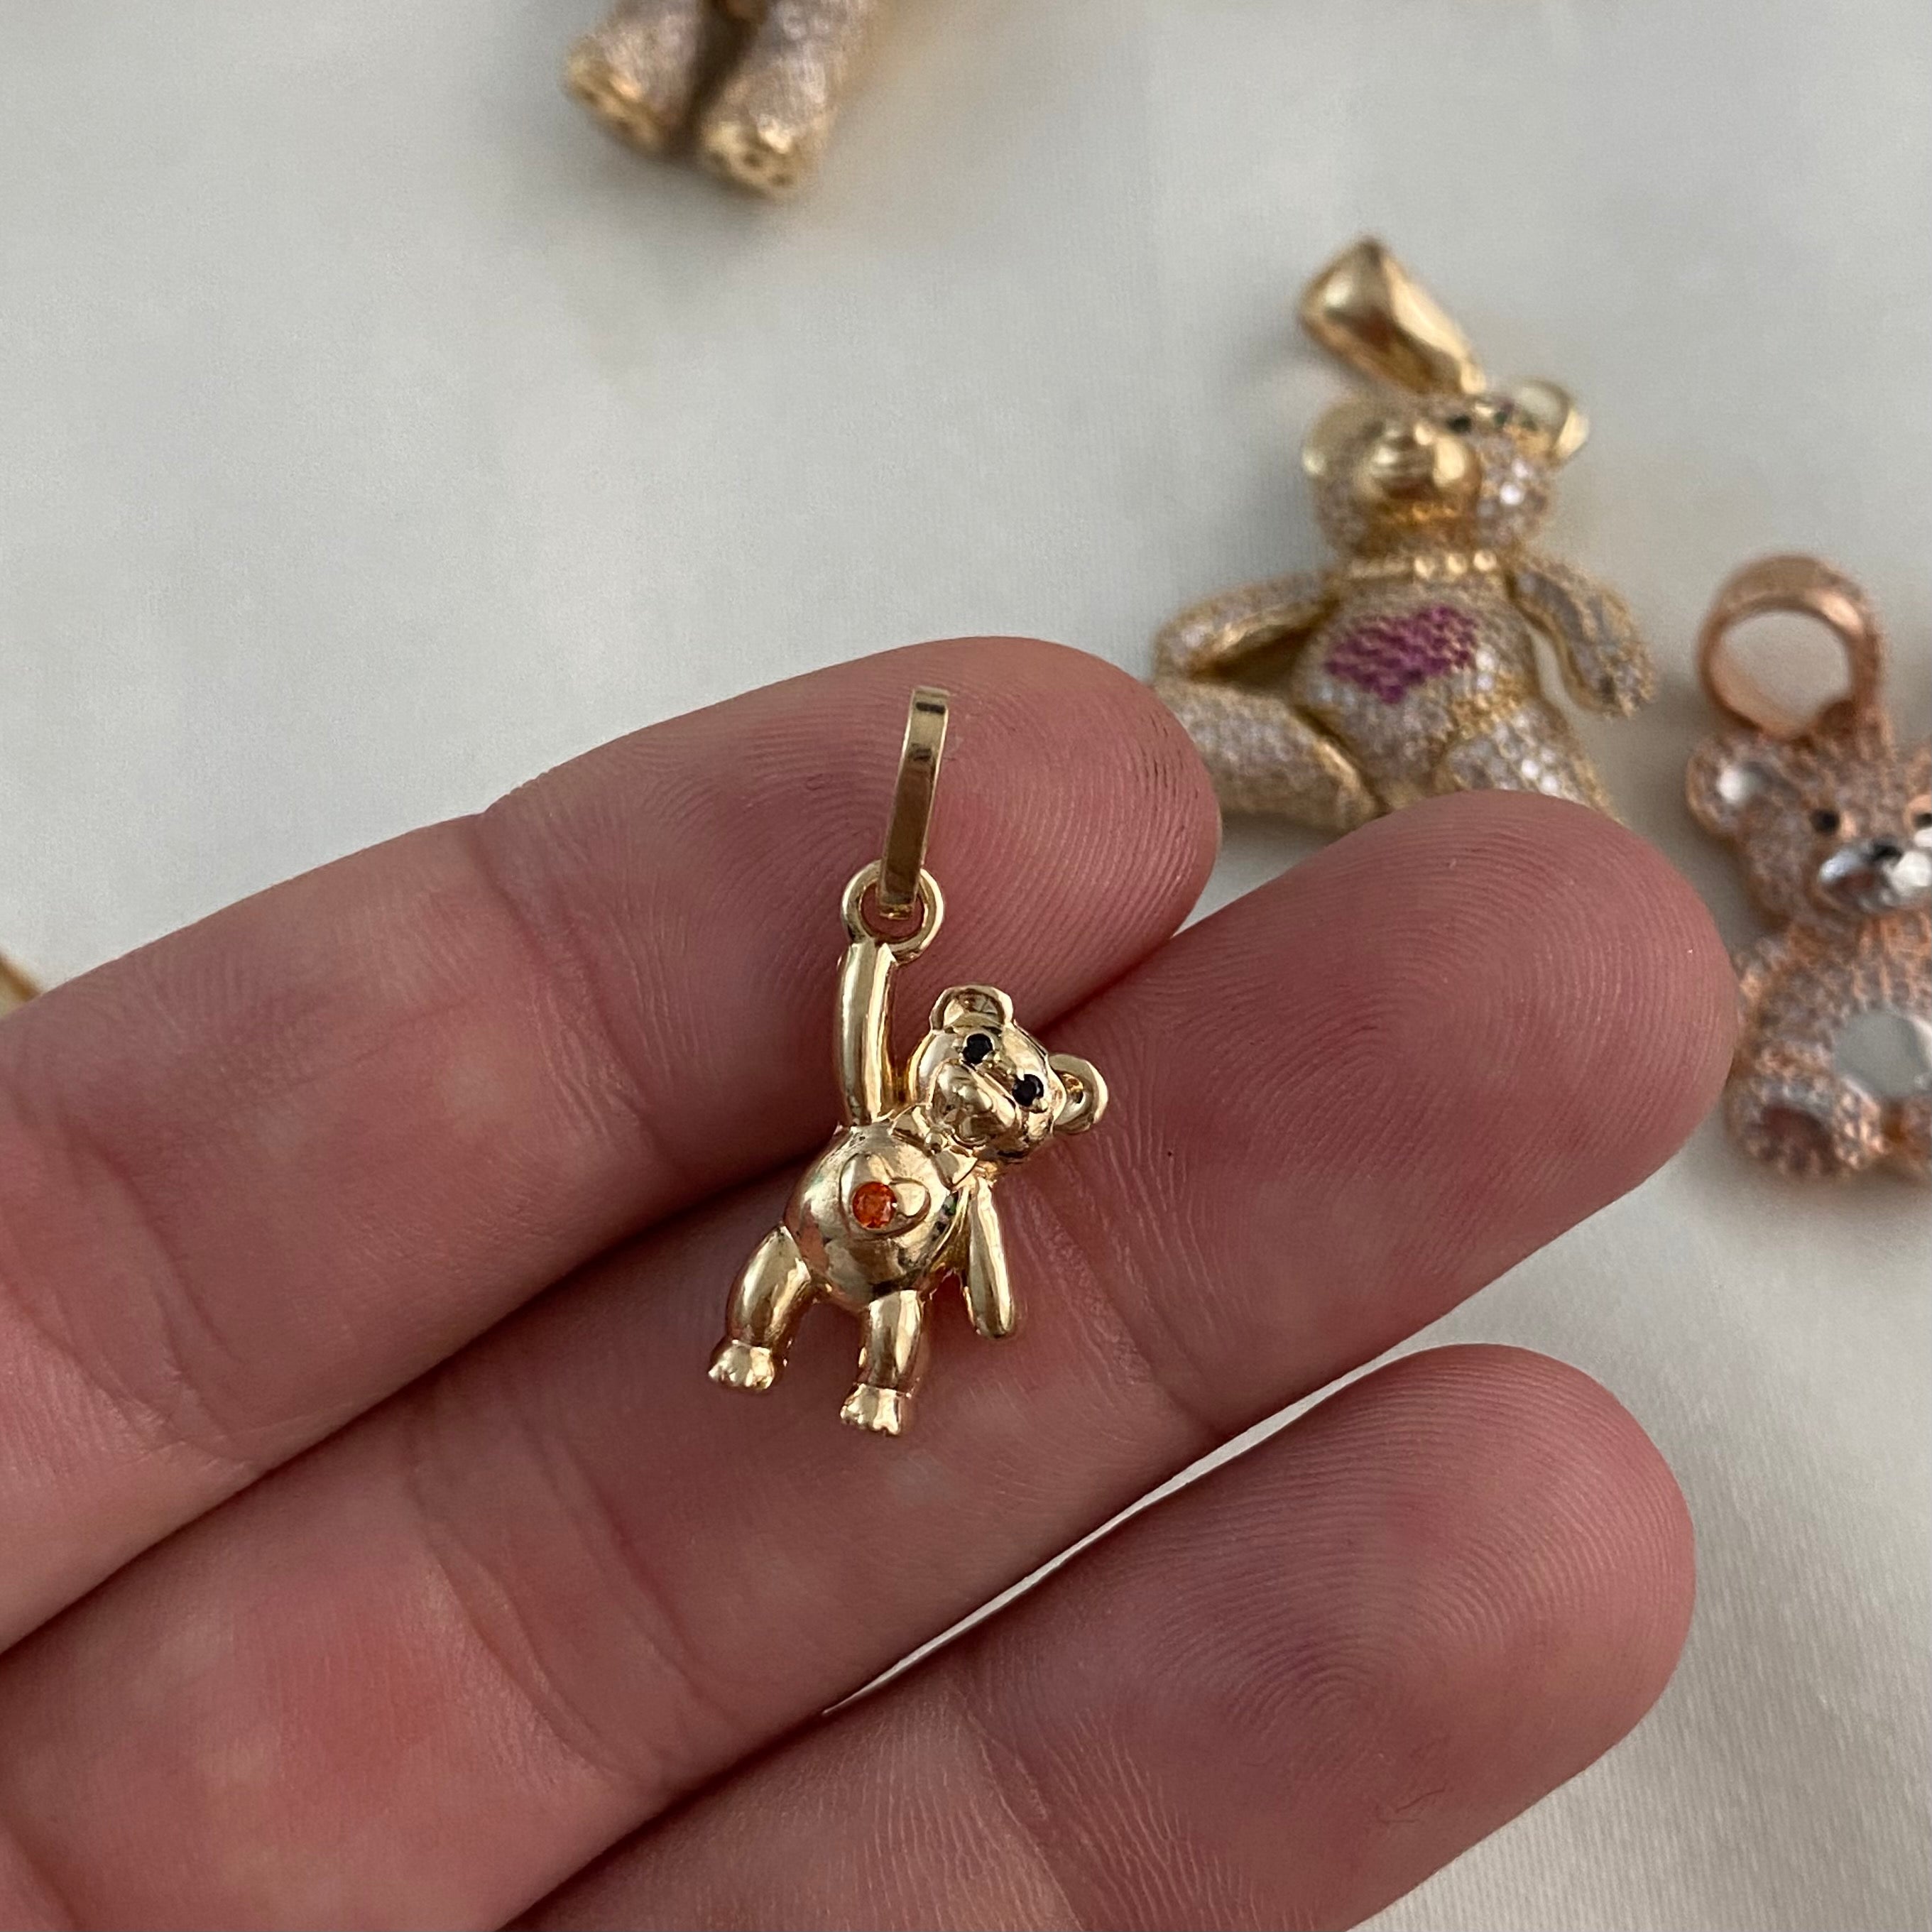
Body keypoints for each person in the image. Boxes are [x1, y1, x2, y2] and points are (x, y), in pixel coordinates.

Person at [0, 640, 1730, 1929]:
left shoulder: (971, 1169)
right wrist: (866, 949)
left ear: (1046, 1108)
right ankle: (778, 1347)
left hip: (892, 1251)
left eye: (1016, 1093)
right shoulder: (889, 1097)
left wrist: (982, 1301)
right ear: (960, 1039)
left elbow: (979, 1254)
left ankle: (871, 1374)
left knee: (885, 1320)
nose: (987, 1087)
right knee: (772, 1280)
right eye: (979, 1060)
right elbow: (863, 1033)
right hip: (821, 1218)